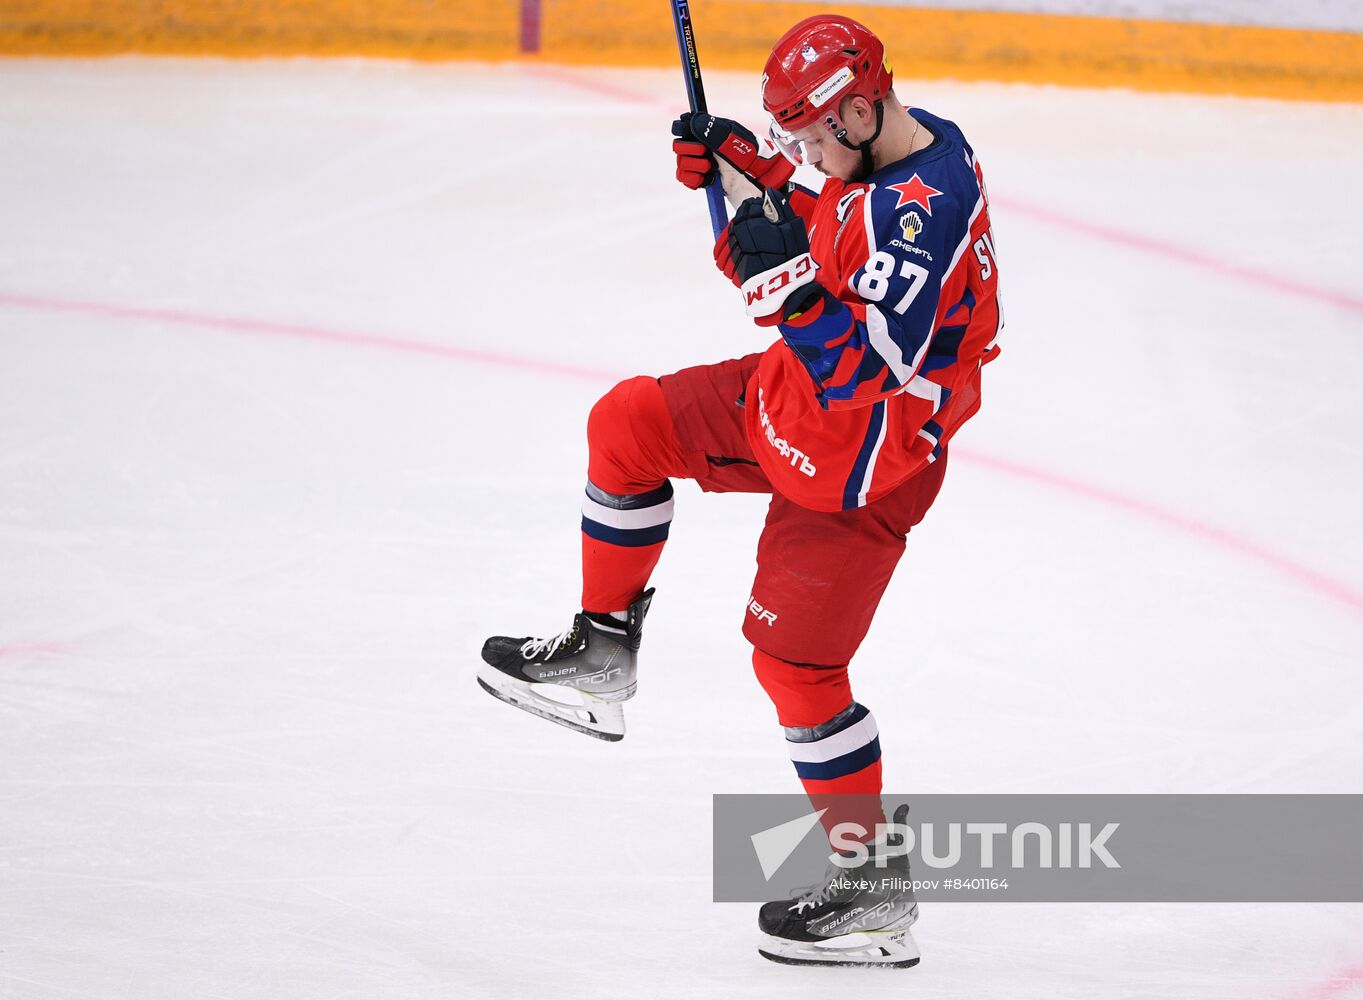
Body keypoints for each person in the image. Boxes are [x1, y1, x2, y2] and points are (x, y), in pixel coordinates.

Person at [477, 13, 1002, 968]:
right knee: (627, 423)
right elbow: (830, 234)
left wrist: (786, 287)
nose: (799, 149)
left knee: (796, 669)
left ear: (854, 110)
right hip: (795, 407)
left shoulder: (919, 210)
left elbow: (861, 377)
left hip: (865, 462)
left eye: (806, 135)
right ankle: (602, 653)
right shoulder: (894, 142)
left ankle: (871, 891)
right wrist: (753, 176)